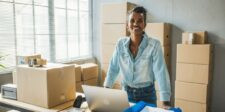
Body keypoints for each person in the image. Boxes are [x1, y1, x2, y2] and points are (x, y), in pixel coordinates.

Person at [103, 6, 171, 109]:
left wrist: (165, 102)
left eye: (140, 21)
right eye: (132, 21)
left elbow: (161, 73)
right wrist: (106, 89)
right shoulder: (120, 44)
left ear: (144, 25)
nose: (135, 24)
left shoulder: (154, 45)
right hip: (126, 94)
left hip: (147, 95)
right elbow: (113, 68)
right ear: (127, 25)